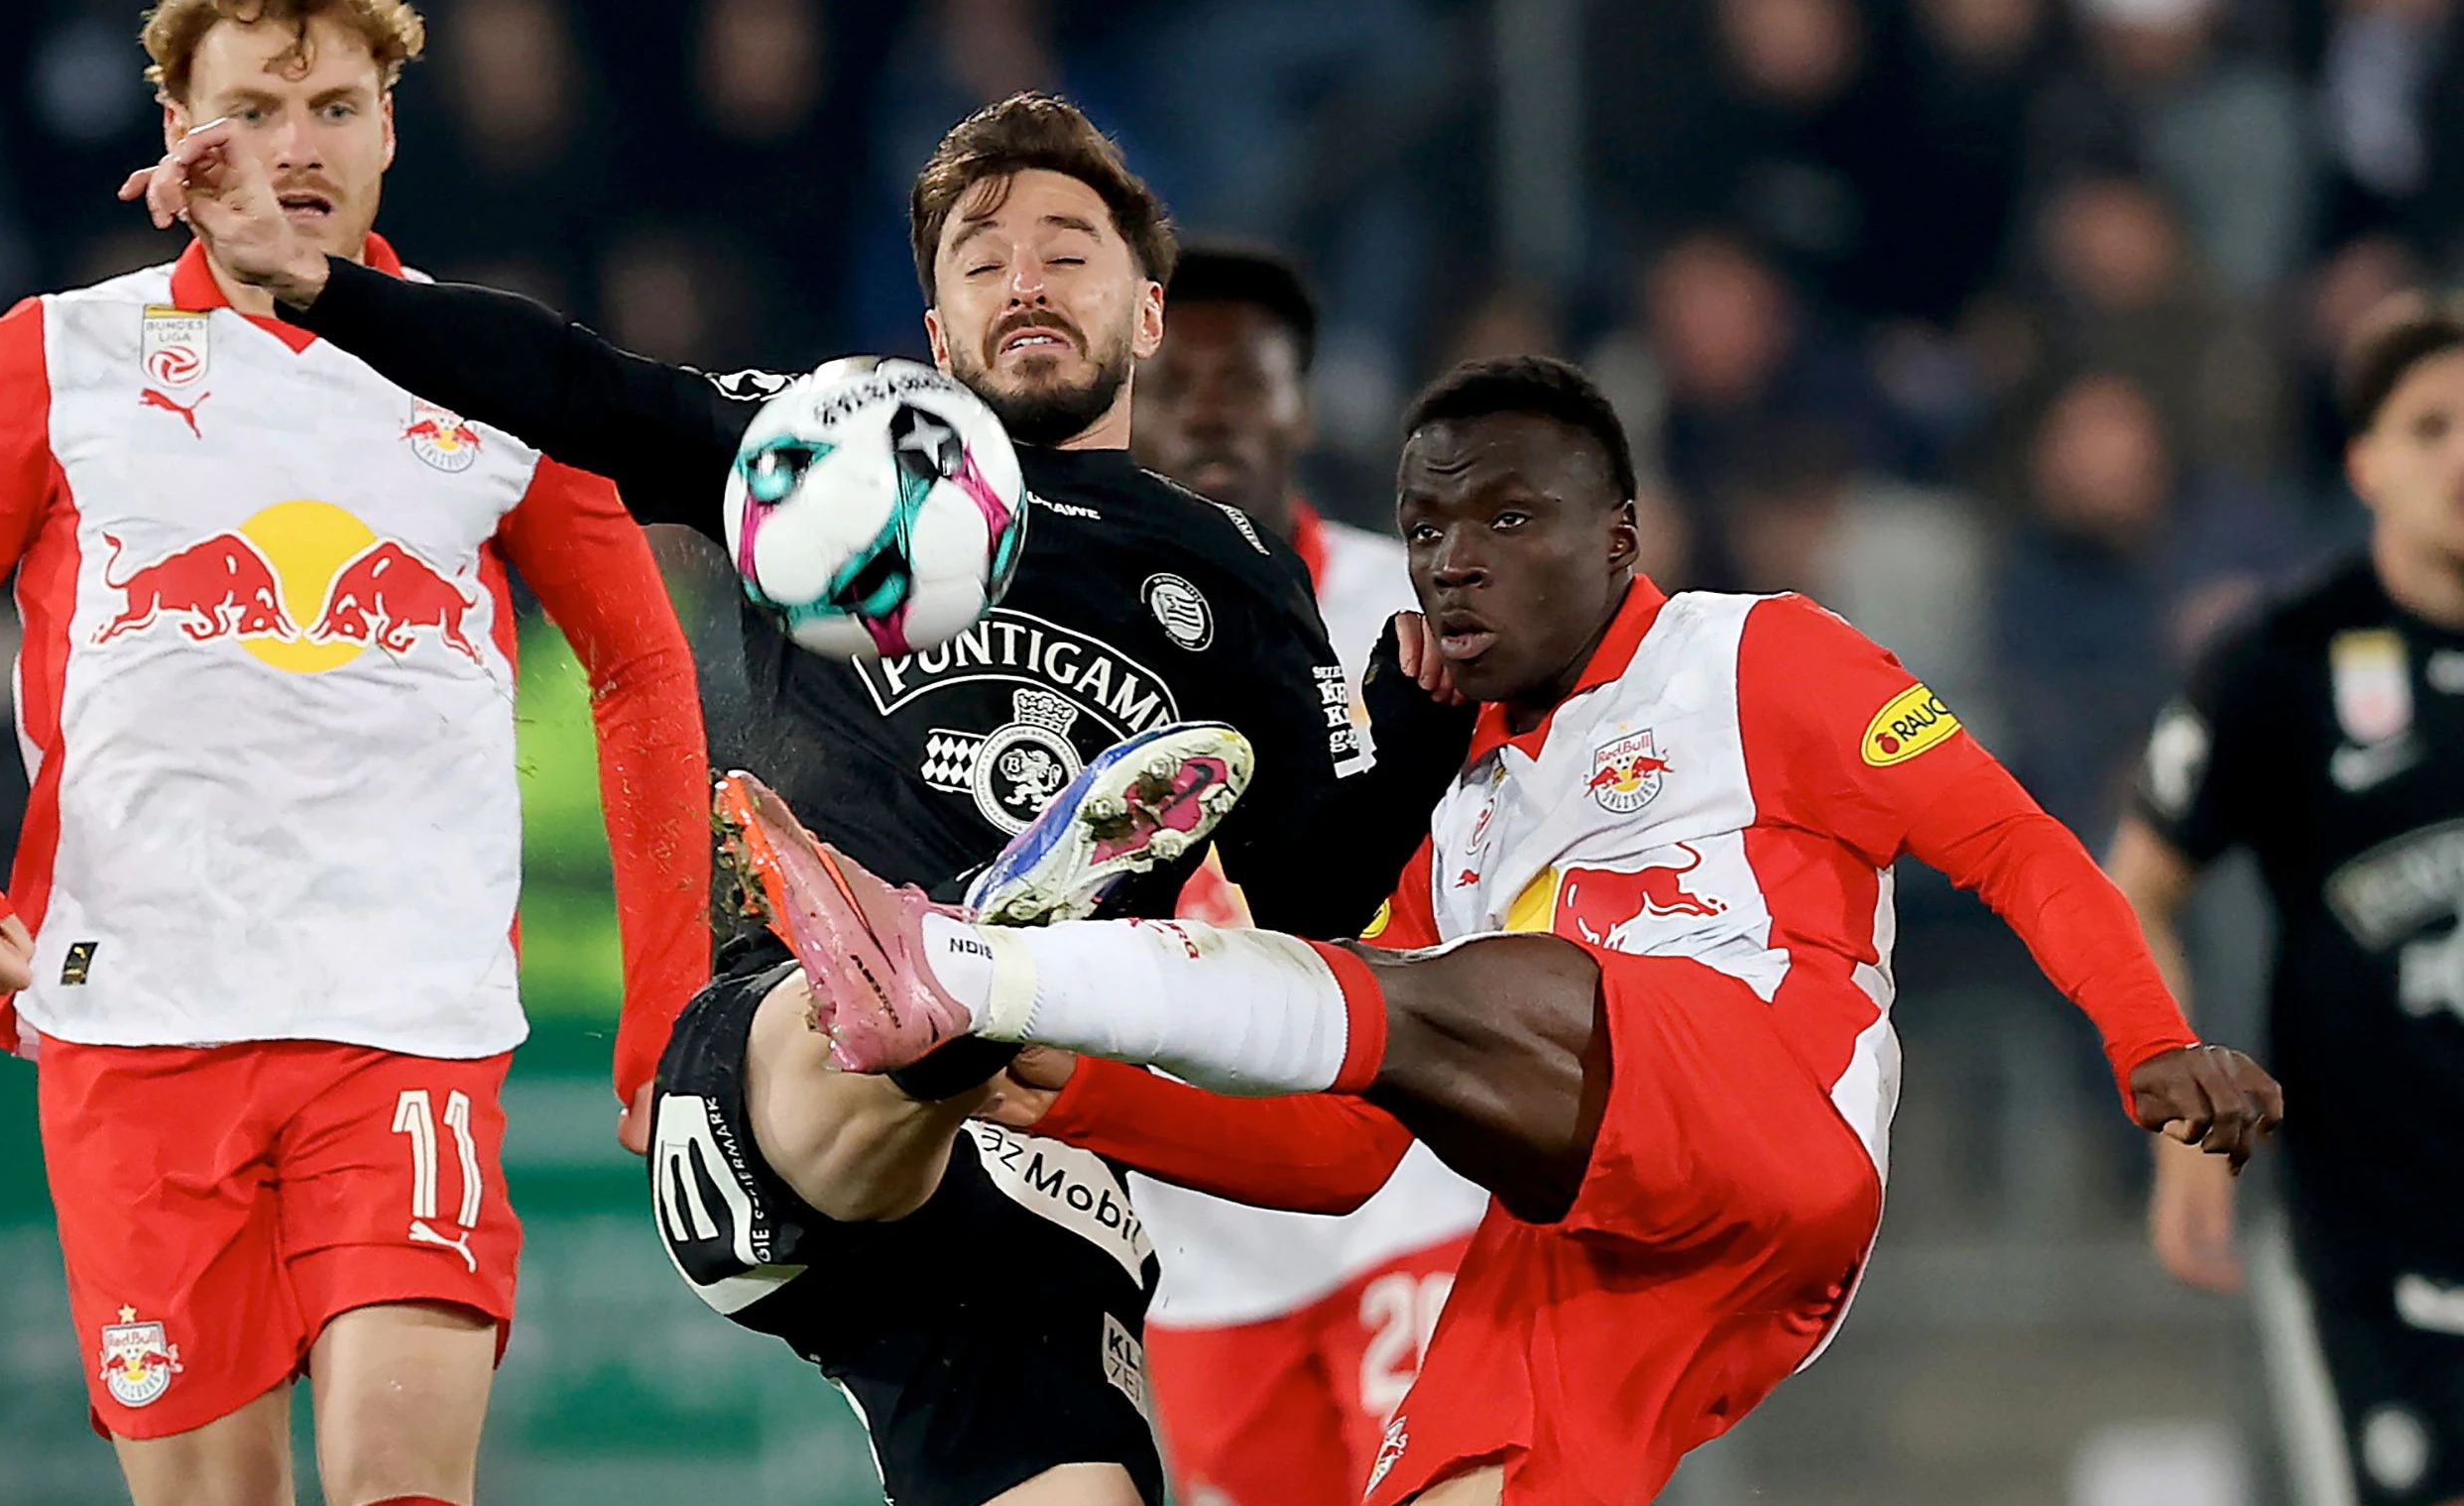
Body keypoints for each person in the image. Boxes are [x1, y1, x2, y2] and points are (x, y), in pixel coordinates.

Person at [126, 92, 1474, 1506]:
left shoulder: (1240, 574)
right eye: (984, 260)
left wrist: (1421, 726)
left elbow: (1312, 902)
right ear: (938, 331)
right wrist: (322, 286)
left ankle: (977, 971)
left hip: (1017, 1172)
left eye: (1067, 252)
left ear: (1145, 312)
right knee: (905, 1013)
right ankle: (959, 963)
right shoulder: (835, 443)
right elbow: (576, 383)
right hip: (778, 1065)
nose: (1025, 279)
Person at [737, 355, 2287, 1506]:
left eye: (1509, 516)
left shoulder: (1759, 654)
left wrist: (2148, 1036)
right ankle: (1027, 1012)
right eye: (1425, 528)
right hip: (1586, 1231)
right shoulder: (1453, 800)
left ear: (1619, 535)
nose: (1455, 557)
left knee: (1451, 982)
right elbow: (1353, 1140)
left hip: (1772, 1118)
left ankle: (975, 961)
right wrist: (1078, 1097)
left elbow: (2013, 845)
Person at [0, 4, 710, 1504]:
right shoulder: (60, 355)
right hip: (138, 1028)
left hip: (405, 1024)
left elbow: (642, 666)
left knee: (400, 1483)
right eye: (253, 108)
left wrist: (669, 1005)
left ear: (390, 127)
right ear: (178, 128)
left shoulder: (496, 368)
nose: (298, 149)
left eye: (338, 107)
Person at [1129, 243, 1483, 1506]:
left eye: (1245, 382)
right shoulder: (1060, 637)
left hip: (1420, 1197)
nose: (1209, 414)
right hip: (1205, 1250)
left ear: (1303, 408)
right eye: (1175, 386)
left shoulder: (1423, 612)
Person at [2121, 290, 2464, 1506]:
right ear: (2365, 464)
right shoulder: (2283, 661)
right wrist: (2179, 1106)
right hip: (2372, 1242)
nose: (2463, 456)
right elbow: (2136, 888)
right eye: (2430, 427)